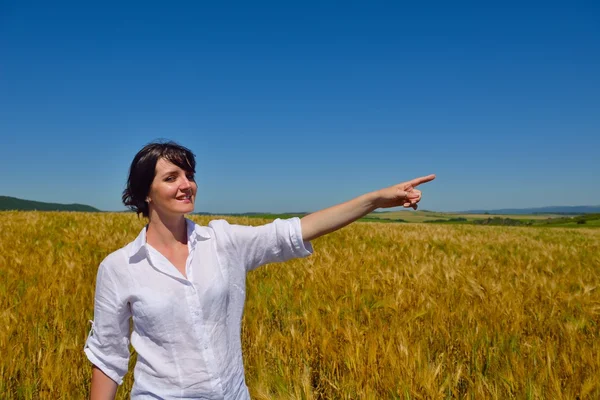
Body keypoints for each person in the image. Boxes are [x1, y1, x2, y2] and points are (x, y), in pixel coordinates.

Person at [84, 140, 435, 400]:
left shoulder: (222, 241)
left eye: (189, 175)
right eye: (171, 177)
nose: (186, 184)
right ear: (145, 192)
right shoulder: (119, 267)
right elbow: (108, 357)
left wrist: (374, 200)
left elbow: (297, 230)